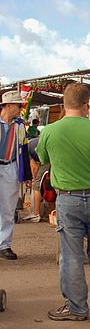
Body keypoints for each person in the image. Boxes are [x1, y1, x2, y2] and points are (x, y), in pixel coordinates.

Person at [36, 83, 90, 321]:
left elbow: (44, 160)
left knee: (71, 255)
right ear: (87, 104)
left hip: (67, 199)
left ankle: (76, 307)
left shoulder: (49, 131)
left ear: (64, 104)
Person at [0, 91, 30, 260]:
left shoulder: (19, 125)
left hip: (10, 166)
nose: (20, 109)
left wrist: (25, 174)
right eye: (19, 106)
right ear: (9, 106)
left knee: (8, 208)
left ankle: (4, 245)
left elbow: (24, 149)